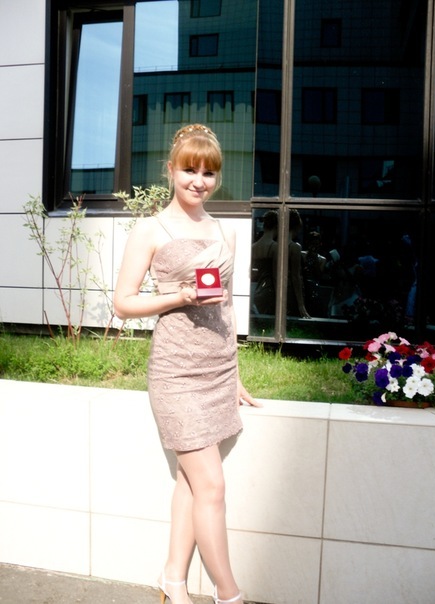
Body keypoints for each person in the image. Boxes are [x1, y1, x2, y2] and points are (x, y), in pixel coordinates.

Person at [113, 123, 261, 604]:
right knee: (212, 485)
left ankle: (173, 580)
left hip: (217, 369)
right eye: (189, 170)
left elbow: (227, 306)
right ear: (171, 170)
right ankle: (229, 594)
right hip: (176, 371)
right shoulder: (150, 229)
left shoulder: (223, 231)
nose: (199, 181)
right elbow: (123, 303)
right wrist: (179, 296)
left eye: (209, 173)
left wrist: (234, 374)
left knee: (190, 483)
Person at [250, 210, 278, 314]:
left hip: (254, 289)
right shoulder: (275, 247)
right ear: (277, 226)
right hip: (268, 290)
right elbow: (275, 275)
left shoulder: (253, 247)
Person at [287, 210, 310, 318]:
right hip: (291, 291)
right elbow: (296, 276)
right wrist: (301, 304)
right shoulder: (294, 247)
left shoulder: (275, 245)